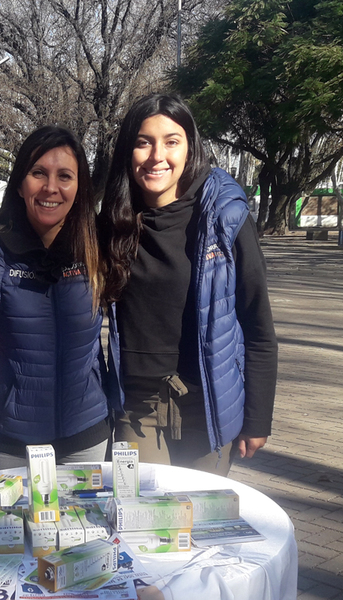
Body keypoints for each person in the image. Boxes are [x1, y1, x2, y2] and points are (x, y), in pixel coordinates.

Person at [98, 94, 277, 476]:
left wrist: (257, 417)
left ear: (189, 147)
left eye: (171, 141)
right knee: (144, 521)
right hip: (137, 407)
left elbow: (257, 324)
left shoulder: (223, 218)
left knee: (198, 525)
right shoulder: (111, 224)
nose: (156, 156)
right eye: (144, 142)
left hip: (206, 402)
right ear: (128, 151)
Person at [0, 125, 119, 469]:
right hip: (12, 443)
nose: (50, 188)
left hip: (87, 438)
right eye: (38, 173)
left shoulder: (97, 246)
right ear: (20, 183)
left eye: (65, 176)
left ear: (80, 186)